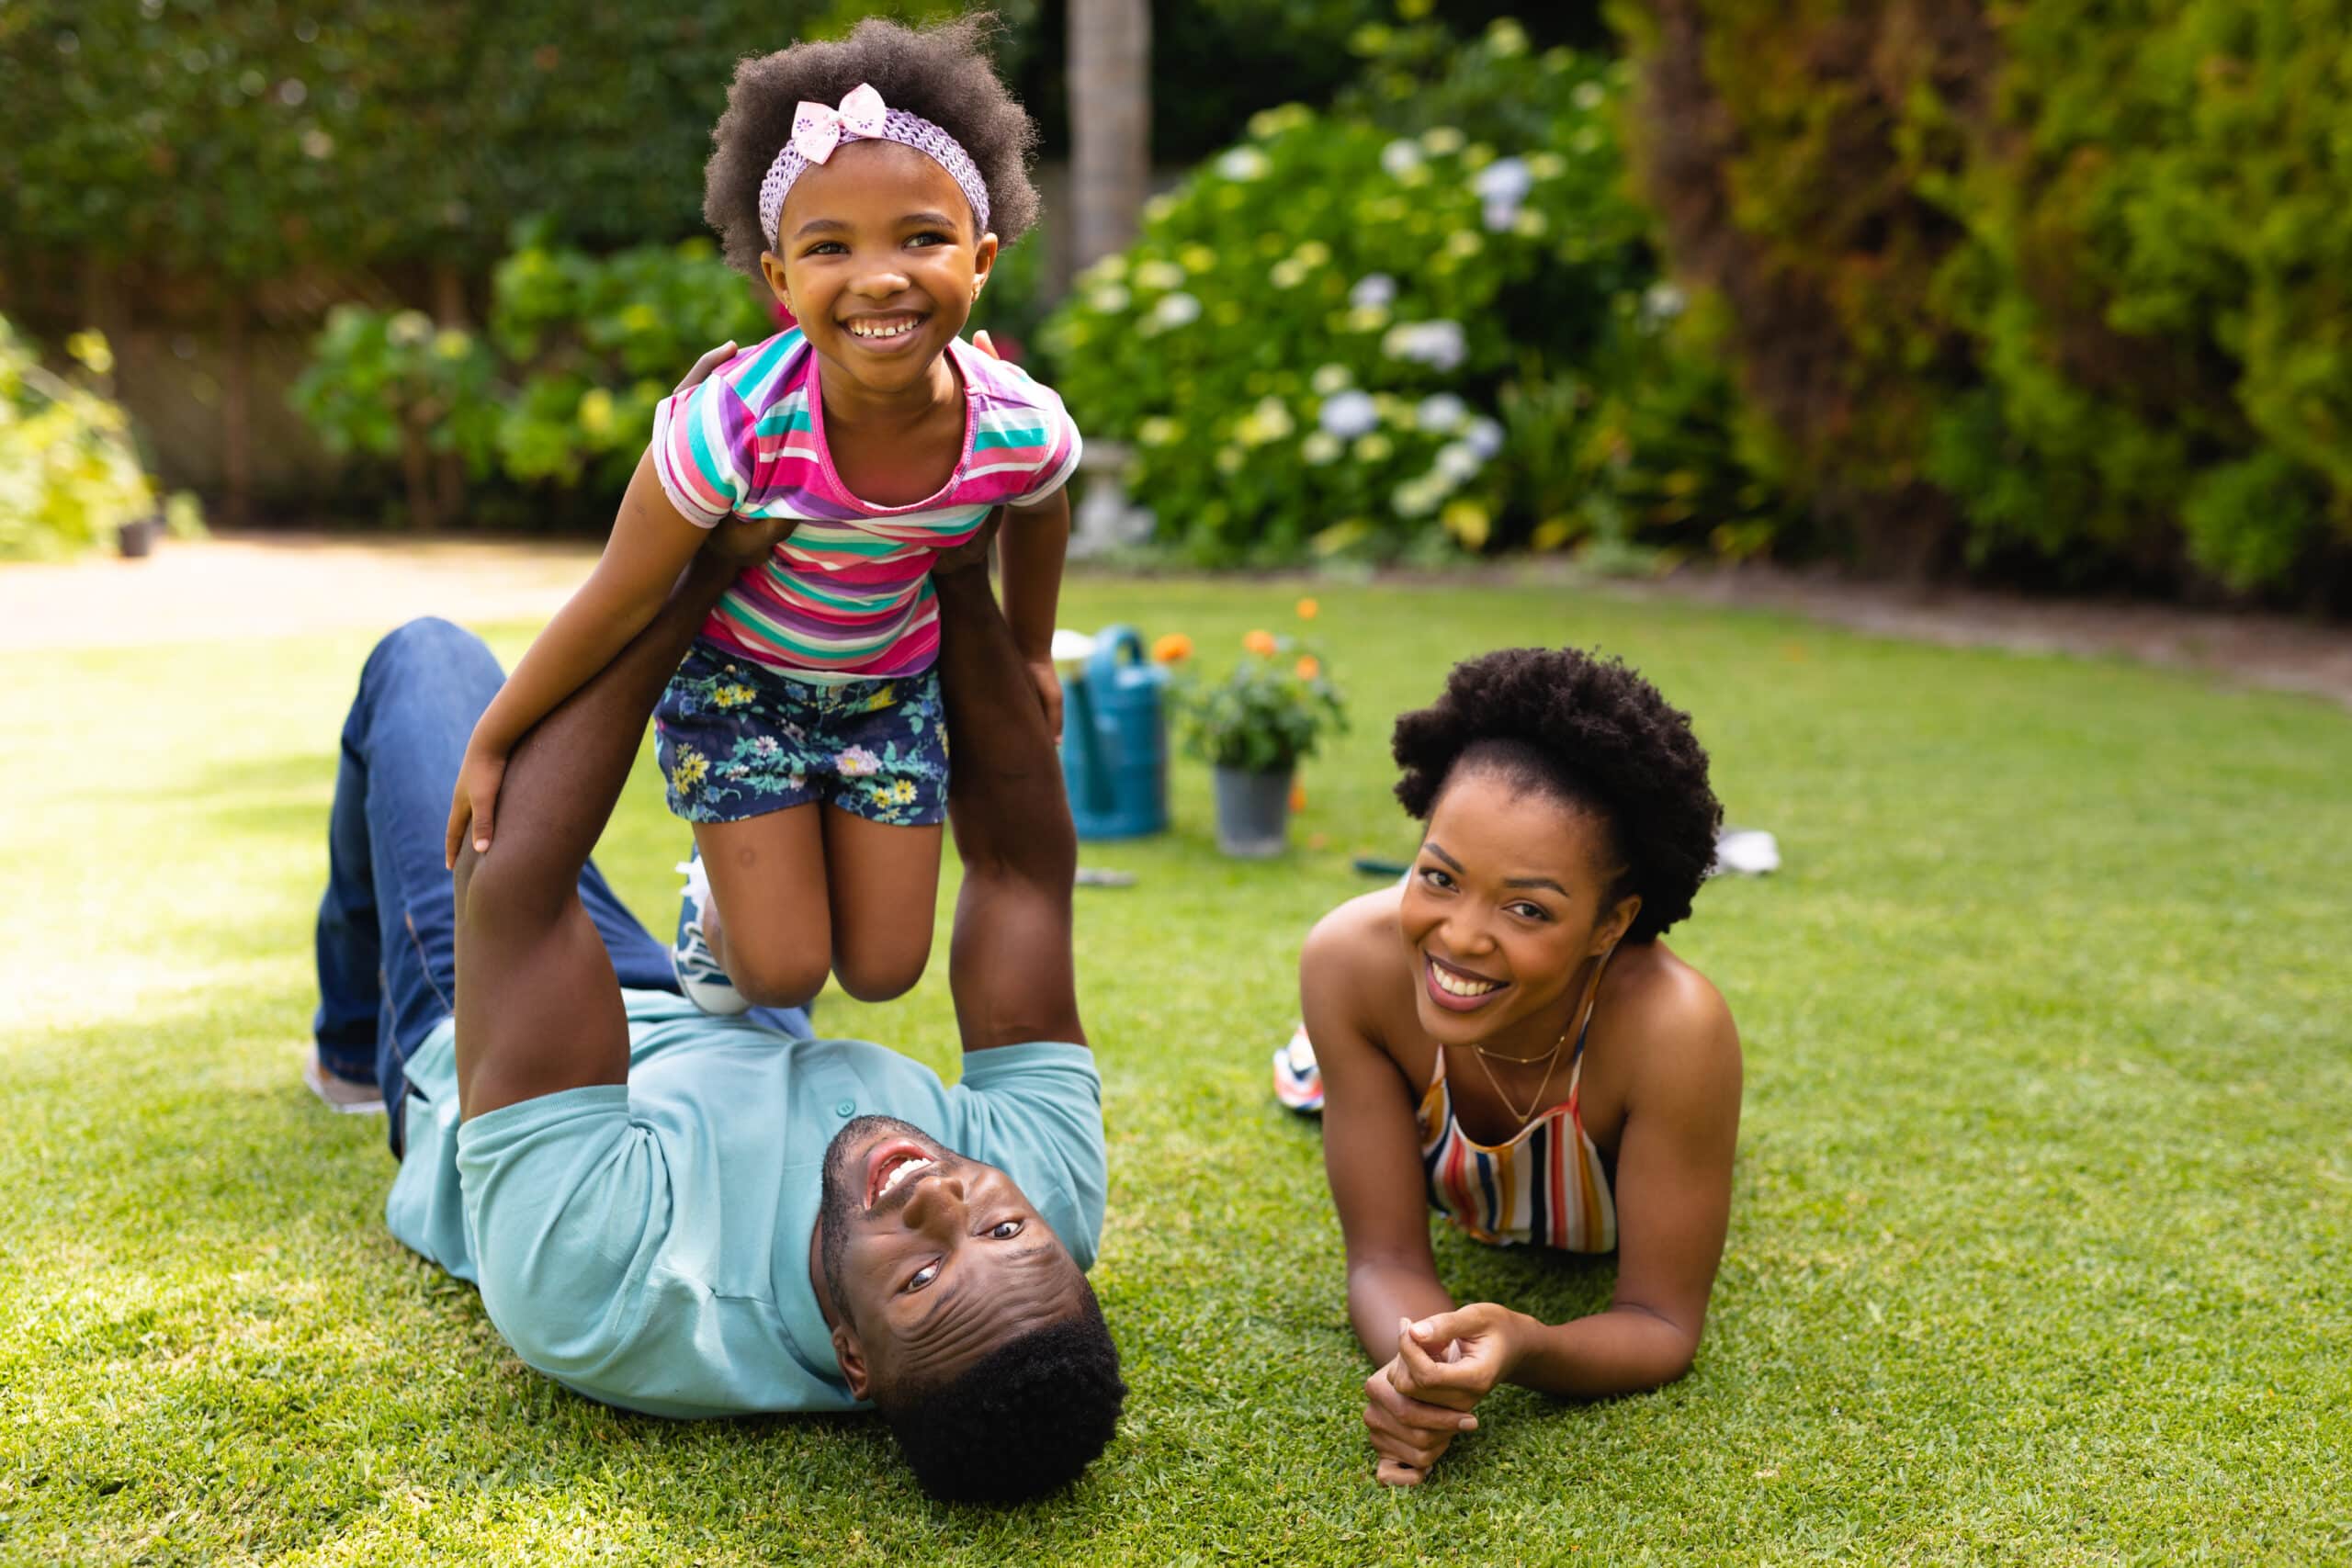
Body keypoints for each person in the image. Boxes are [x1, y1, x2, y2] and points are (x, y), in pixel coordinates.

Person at [309, 496, 1123, 1503]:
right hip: (754, 1040)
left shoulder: (612, 1288)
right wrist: (956, 566)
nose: (936, 1199)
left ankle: (355, 1043)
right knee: (790, 962)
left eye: (917, 1280)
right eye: (1004, 1232)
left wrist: (690, 577)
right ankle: (726, 945)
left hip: (559, 1058)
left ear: (852, 1362)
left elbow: (519, 884)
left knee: (426, 663)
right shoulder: (1048, 1198)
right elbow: (1017, 871)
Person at [442, 13, 1080, 1021]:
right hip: (739, 688)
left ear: (982, 257)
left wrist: (1032, 648)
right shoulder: (732, 426)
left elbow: (1042, 510)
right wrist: (493, 737)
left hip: (888, 689)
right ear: (781, 281)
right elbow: (619, 597)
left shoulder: (1017, 422)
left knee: (879, 970)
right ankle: (715, 903)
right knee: (779, 971)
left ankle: (784, 866)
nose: (879, 276)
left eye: (923, 238)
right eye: (830, 247)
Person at [1287, 649, 1742, 1486]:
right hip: (1379, 1032)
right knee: (1309, 1076)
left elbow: (1660, 1322)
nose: (1461, 934)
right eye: (1439, 876)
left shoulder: (1675, 1033)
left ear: (1612, 924)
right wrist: (1425, 1365)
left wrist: (1527, 1344)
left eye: (1528, 907)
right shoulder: (1352, 963)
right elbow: (1384, 1259)